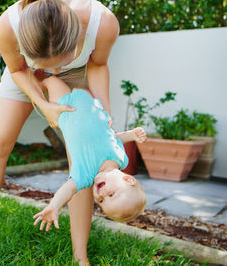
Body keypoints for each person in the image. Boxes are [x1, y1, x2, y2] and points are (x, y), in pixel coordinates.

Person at [0, 0, 121, 264]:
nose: (55, 71)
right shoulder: (7, 26)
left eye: (61, 61)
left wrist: (103, 112)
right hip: (27, 72)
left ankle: (80, 257)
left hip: (79, 73)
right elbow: (17, 68)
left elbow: (96, 65)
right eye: (49, 64)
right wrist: (44, 104)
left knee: (83, 159)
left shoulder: (102, 22)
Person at [32, 76, 147, 232]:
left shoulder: (85, 175)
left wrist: (54, 205)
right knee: (78, 75)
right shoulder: (121, 159)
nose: (102, 194)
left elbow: (68, 190)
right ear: (128, 179)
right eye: (112, 194)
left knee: (50, 80)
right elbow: (113, 139)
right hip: (90, 104)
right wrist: (131, 135)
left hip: (65, 108)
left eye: (101, 200)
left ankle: (34, 82)